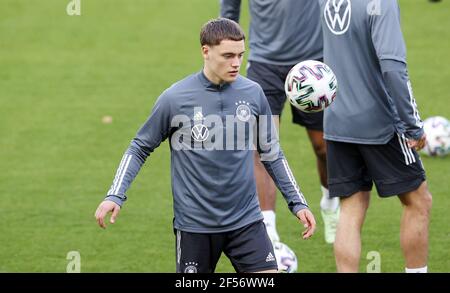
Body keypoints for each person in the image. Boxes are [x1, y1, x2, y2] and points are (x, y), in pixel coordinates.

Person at [94, 18, 316, 273]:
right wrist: (115, 194)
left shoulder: (253, 93)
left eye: (241, 55)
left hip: (246, 221)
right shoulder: (175, 98)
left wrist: (297, 202)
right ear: (205, 51)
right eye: (228, 55)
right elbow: (139, 147)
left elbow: (272, 153)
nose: (236, 63)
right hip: (195, 227)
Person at [318, 0, 432, 272]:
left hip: (337, 121)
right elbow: (393, 68)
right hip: (379, 123)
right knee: (418, 201)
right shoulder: (381, 3)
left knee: (351, 208)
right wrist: (412, 125)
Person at [221, 0, 340, 244]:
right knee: (264, 148)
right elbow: (229, 13)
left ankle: (330, 201)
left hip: (312, 67)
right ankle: (269, 230)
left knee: (324, 147)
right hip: (264, 64)